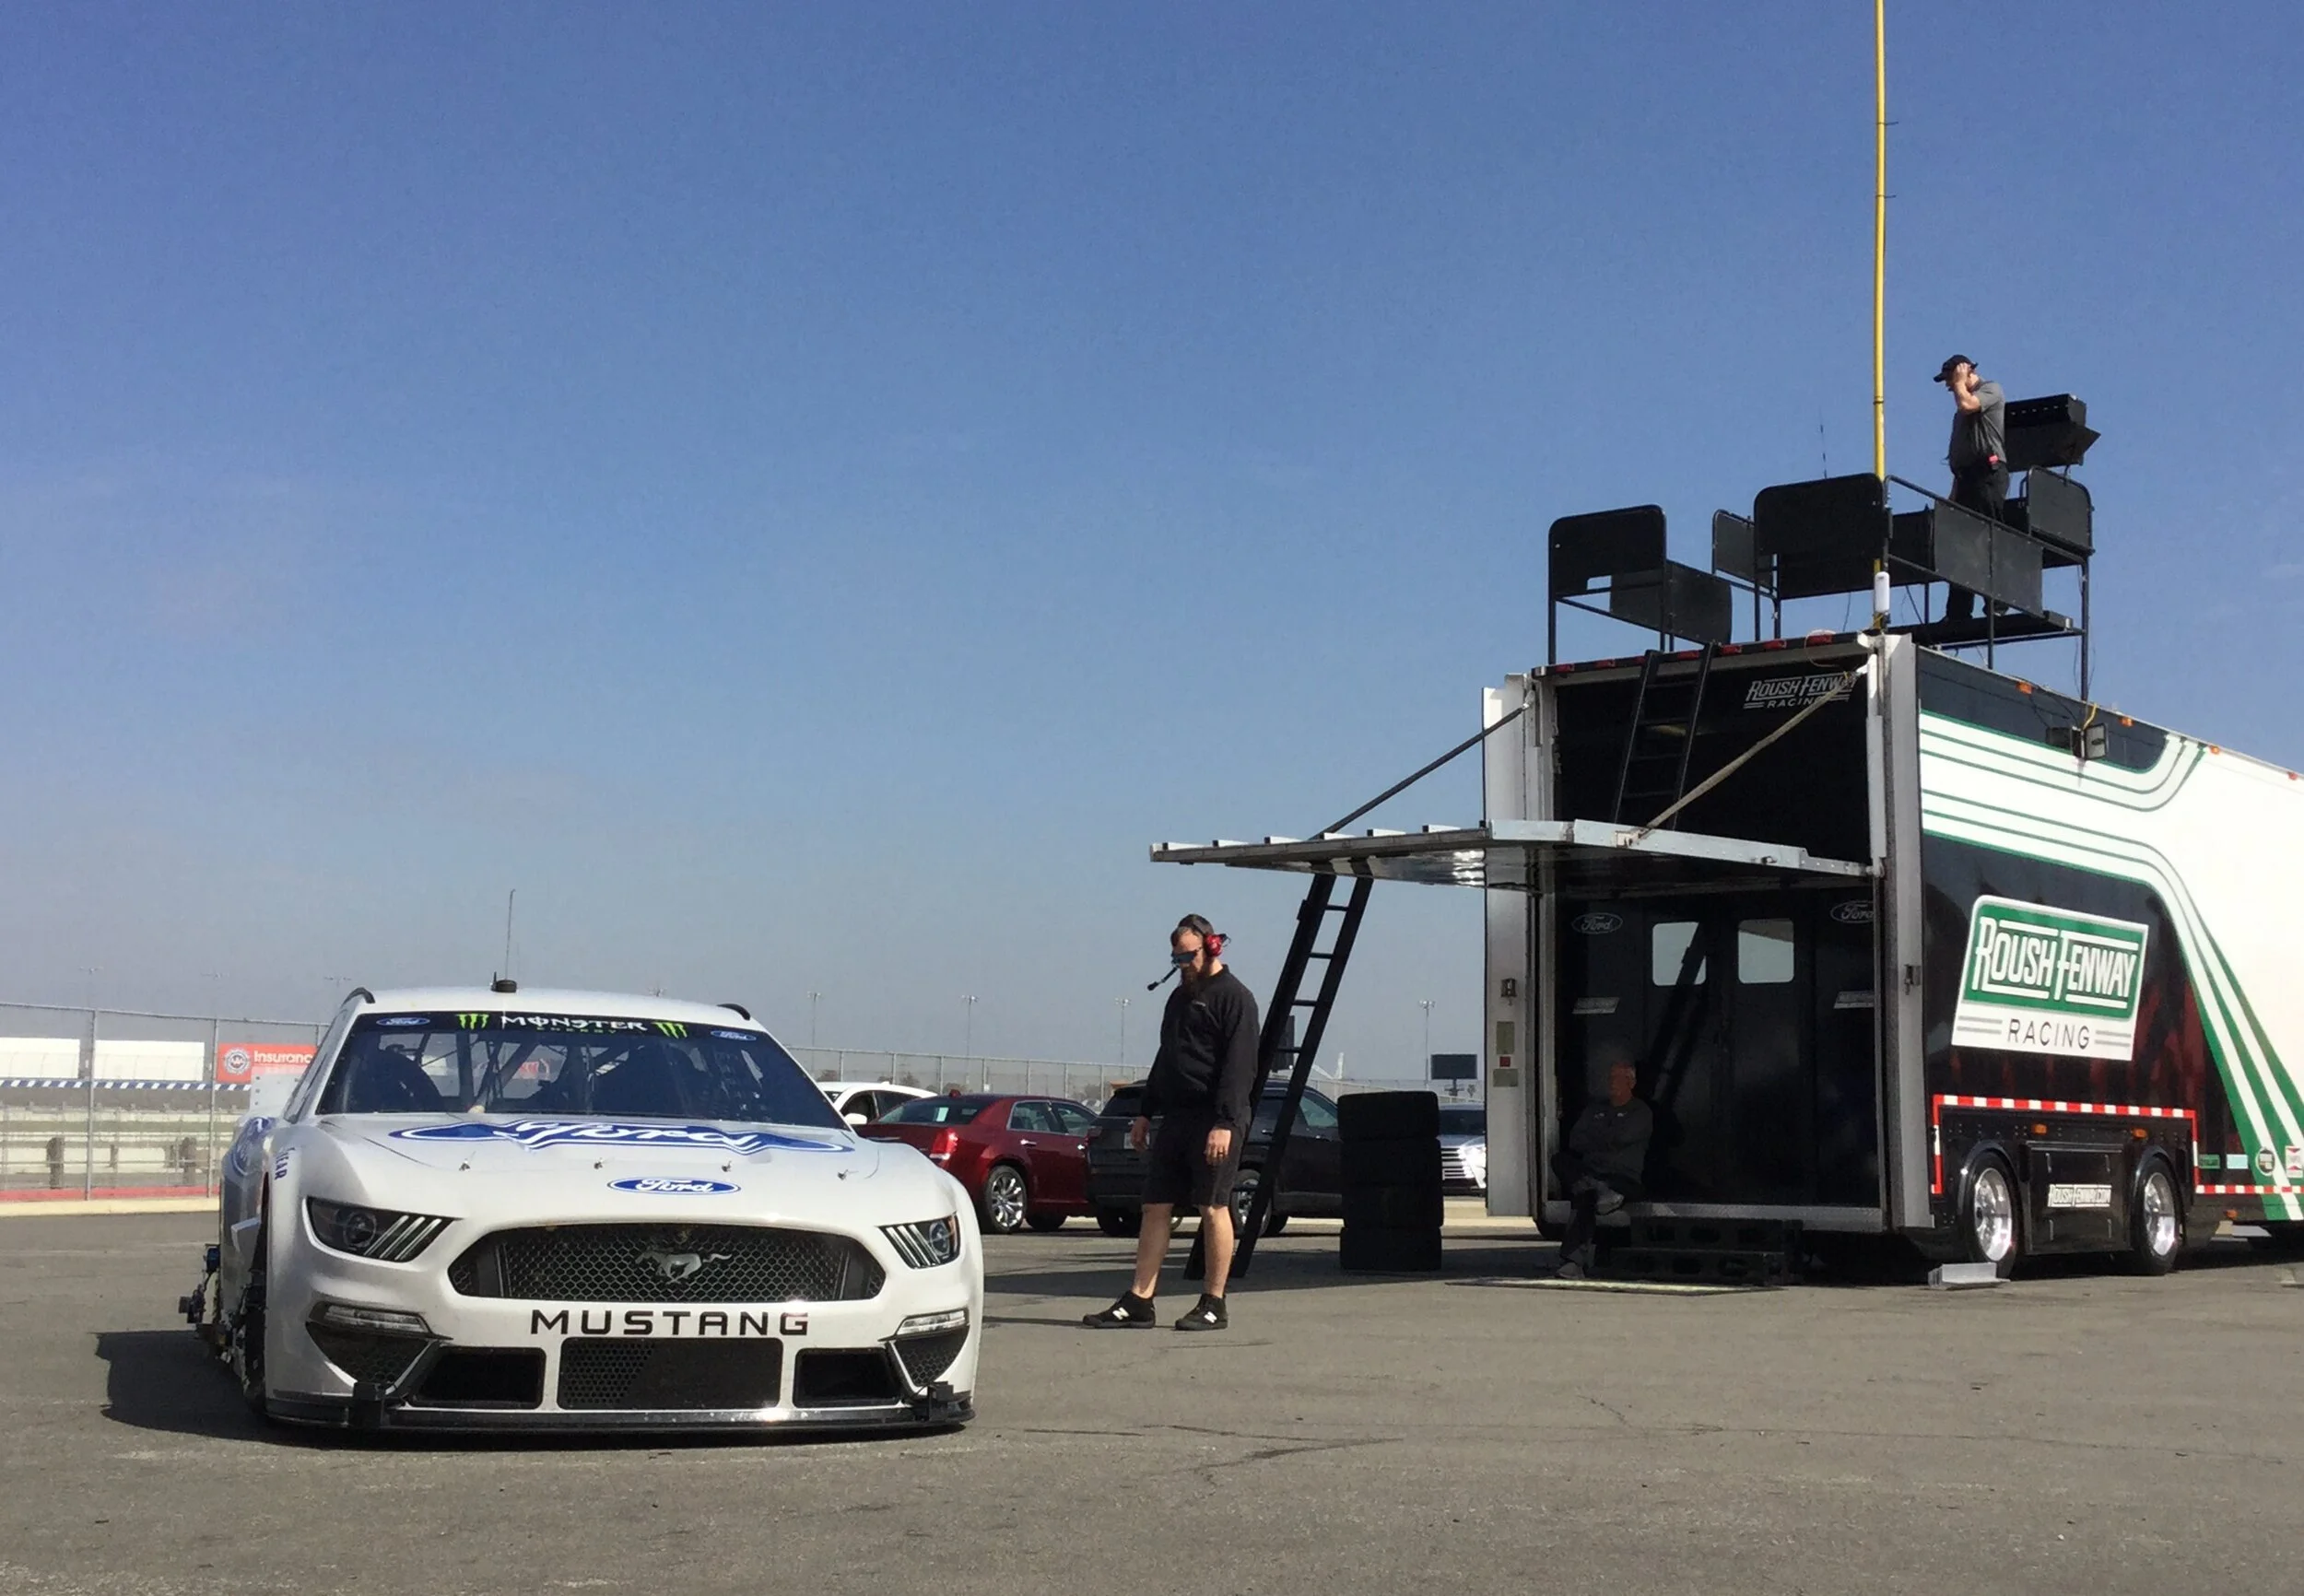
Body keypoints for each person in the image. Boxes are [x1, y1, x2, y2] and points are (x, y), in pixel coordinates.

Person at [1085, 915, 1260, 1332]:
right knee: (1155, 1206)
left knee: (1213, 1206)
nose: (1183, 963)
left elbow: (1240, 1068)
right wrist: (1145, 1111)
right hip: (1175, 1118)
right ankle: (1140, 1300)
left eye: (1189, 954)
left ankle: (1214, 1302)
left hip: (1214, 1119)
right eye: (1177, 956)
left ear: (1213, 947)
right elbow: (1167, 1058)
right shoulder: (1178, 999)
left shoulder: (1236, 998)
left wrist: (1226, 1122)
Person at [1550, 1056, 1652, 1280]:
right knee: (1560, 1160)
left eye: (1618, 1078)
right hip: (1592, 1175)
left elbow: (1622, 1138)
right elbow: (1576, 1139)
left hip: (1622, 1179)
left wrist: (1598, 1137)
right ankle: (1597, 1190)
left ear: (1631, 1082)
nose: (1612, 1082)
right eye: (1610, 1078)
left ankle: (1572, 1263)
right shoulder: (1595, 1109)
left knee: (1584, 1198)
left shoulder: (1640, 1112)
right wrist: (1606, 1139)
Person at [1935, 354, 2008, 624]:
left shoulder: (1990, 390)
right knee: (1960, 544)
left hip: (1987, 474)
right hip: (1966, 478)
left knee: (1988, 536)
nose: (1948, 385)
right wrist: (1953, 494)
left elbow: (1969, 405)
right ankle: (1957, 611)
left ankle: (1998, 599)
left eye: (1950, 378)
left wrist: (1959, 383)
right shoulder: (1959, 404)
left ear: (1966, 371)